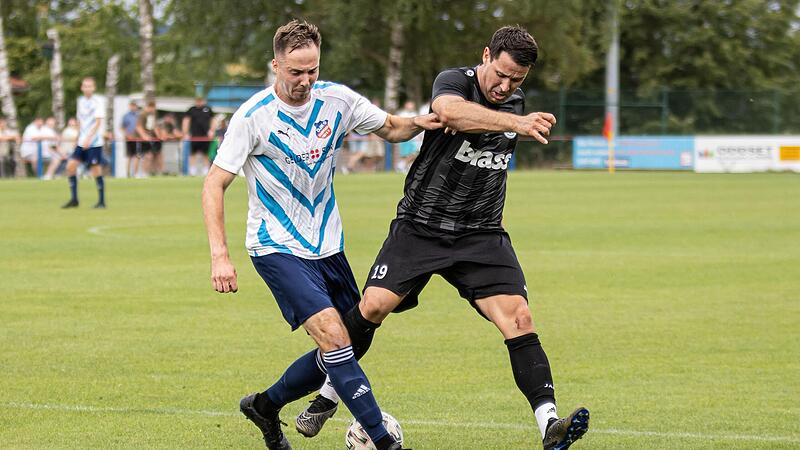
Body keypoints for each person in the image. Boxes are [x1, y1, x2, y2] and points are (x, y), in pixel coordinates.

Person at [299, 26, 590, 450]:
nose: (505, 86)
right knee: (373, 306)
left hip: (481, 233)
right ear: (486, 54)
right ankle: (327, 395)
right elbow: (452, 113)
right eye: (501, 74)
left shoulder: (514, 100)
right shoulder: (454, 82)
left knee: (519, 318)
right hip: (421, 227)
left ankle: (550, 425)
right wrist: (517, 122)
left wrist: (516, 114)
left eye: (517, 81)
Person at [201, 19, 440, 450]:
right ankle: (384, 441)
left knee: (356, 336)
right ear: (275, 65)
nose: (305, 80)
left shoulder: (338, 100)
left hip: (329, 247)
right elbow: (213, 183)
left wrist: (437, 119)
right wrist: (220, 255)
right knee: (333, 336)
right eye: (295, 72)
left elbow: (392, 128)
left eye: (312, 70)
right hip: (275, 246)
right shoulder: (253, 117)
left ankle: (266, 405)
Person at [62, 76, 107, 209]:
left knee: (96, 171)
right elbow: (80, 121)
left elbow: (98, 122)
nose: (87, 88)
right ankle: (74, 199)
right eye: (85, 86)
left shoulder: (98, 101)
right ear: (82, 88)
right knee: (70, 167)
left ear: (94, 88)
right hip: (82, 142)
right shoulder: (80, 101)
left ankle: (101, 201)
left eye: (90, 86)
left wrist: (89, 138)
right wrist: (78, 138)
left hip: (94, 143)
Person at [182, 96, 214, 176]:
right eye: (197, 101)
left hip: (205, 136)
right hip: (194, 136)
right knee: (193, 154)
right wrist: (185, 133)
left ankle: (206, 171)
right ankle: (192, 171)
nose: (199, 102)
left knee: (206, 154)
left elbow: (213, 120)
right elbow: (186, 121)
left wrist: (212, 131)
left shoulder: (208, 109)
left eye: (200, 101)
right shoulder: (191, 110)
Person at [136, 101, 163, 177]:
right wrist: (144, 136)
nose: (154, 109)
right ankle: (136, 174)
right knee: (139, 156)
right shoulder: (143, 114)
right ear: (149, 107)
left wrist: (159, 136)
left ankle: (146, 173)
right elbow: (138, 127)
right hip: (141, 139)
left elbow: (154, 127)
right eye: (153, 108)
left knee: (149, 156)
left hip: (149, 139)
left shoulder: (152, 115)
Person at [395, 100, 421, 173]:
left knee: (414, 152)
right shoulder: (402, 114)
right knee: (407, 153)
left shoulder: (415, 113)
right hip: (405, 136)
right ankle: (402, 165)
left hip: (414, 138)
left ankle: (403, 166)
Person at [121, 101, 141, 177]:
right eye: (132, 105)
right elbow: (122, 127)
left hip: (137, 139)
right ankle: (128, 174)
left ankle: (135, 174)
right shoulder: (126, 116)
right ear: (129, 106)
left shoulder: (138, 115)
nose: (133, 107)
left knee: (137, 156)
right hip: (129, 138)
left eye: (134, 105)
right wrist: (127, 135)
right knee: (129, 156)